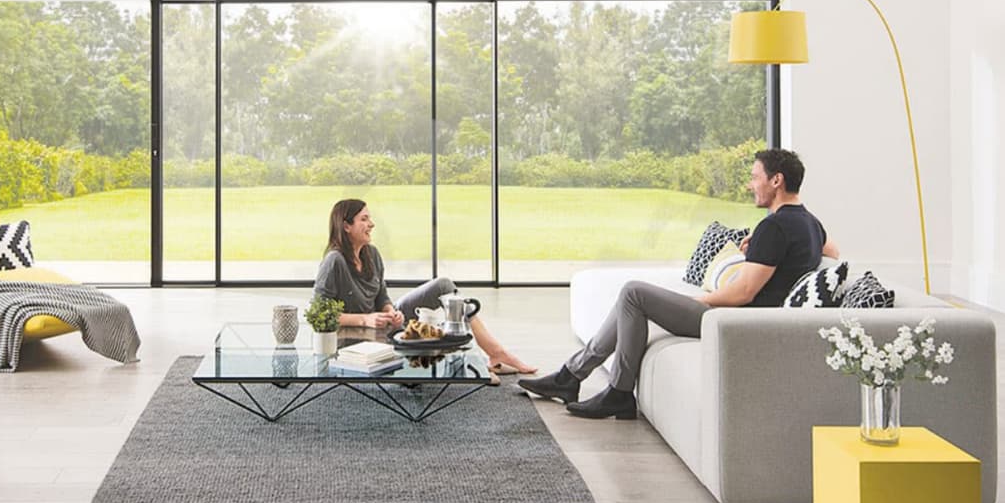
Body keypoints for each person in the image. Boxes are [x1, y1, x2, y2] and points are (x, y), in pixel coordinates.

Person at [519, 148, 840, 419]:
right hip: (751, 318)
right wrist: (762, 244)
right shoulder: (810, 223)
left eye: (755, 177)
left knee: (633, 293)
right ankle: (571, 377)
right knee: (632, 296)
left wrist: (699, 302)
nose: (749, 184)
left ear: (776, 180)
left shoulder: (777, 227)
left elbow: (745, 292)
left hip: (735, 320)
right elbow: (831, 254)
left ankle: (612, 390)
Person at [313, 198, 535, 376]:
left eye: (370, 218)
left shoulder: (372, 254)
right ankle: (478, 361)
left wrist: (391, 312)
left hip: (383, 325)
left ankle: (495, 353)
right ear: (346, 226)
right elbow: (318, 314)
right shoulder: (335, 261)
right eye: (364, 219)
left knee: (443, 285)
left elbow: (381, 297)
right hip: (355, 334)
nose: (371, 224)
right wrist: (364, 319)